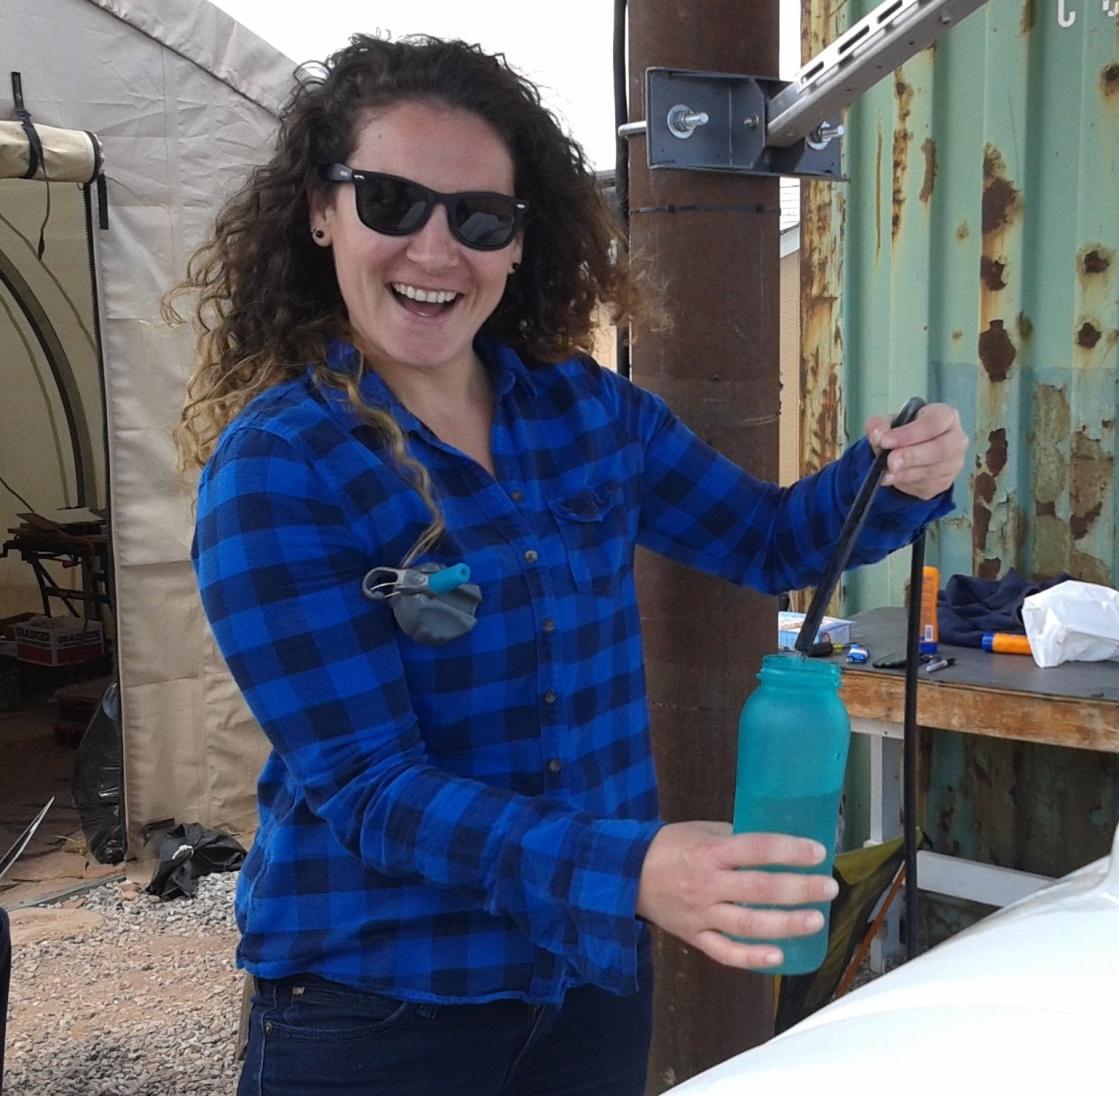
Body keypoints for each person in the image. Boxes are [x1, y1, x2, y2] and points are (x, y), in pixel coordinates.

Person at [169, 33, 967, 1096]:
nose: (436, 249)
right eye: (393, 202)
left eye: (479, 219)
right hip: (384, 1005)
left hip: (585, 984)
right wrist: (631, 868)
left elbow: (773, 540)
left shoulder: (582, 410)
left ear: (517, 244)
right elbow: (372, 788)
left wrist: (892, 477)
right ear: (322, 208)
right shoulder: (278, 466)